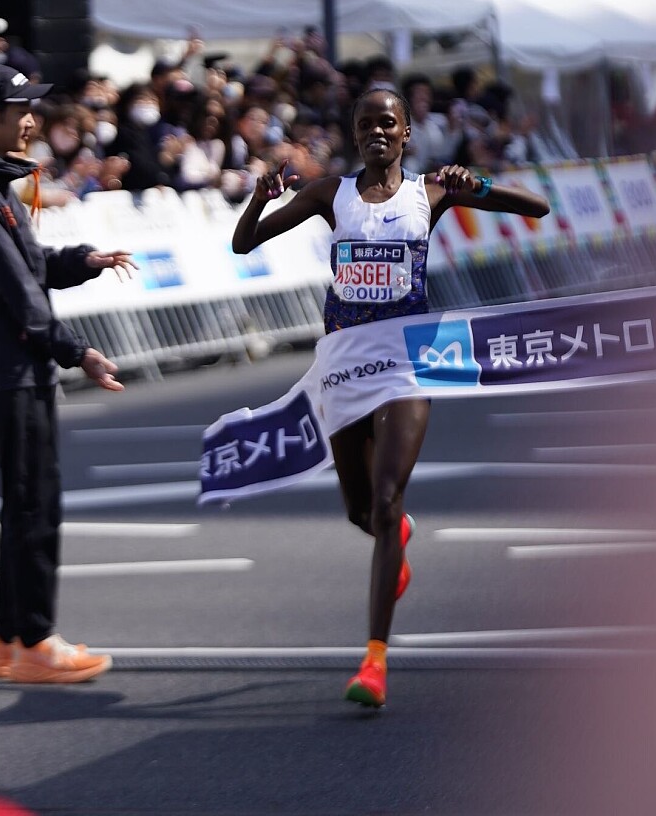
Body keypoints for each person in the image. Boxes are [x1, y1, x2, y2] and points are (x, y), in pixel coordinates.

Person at [232, 87, 549, 708]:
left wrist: (477, 184)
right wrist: (260, 198)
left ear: (406, 133)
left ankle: (374, 660)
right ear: (355, 134)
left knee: (384, 499)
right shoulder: (331, 194)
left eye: (388, 123)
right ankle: (395, 536)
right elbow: (245, 244)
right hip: (346, 368)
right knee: (363, 513)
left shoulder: (432, 191)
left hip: (408, 365)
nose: (377, 132)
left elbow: (536, 206)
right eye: (366, 124)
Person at [0, 64, 137, 685]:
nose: (31, 121)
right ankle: (35, 643)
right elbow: (19, 293)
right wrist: (78, 352)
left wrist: (83, 261)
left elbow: (30, 264)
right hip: (8, 365)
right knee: (35, 505)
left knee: (23, 504)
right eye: (20, 111)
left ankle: (8, 640)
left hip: (6, 364)